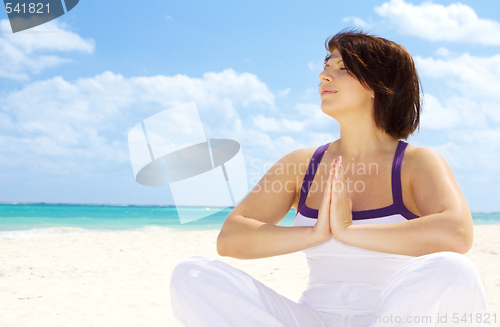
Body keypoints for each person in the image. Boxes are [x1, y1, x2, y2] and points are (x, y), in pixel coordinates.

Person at [169, 30, 489, 327]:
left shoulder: (416, 163)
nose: (324, 75)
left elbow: (456, 233)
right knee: (192, 274)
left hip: (394, 317)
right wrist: (316, 233)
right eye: (327, 65)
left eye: (343, 68)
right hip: (314, 318)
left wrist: (348, 232)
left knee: (454, 269)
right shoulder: (301, 164)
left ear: (379, 86)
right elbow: (231, 238)